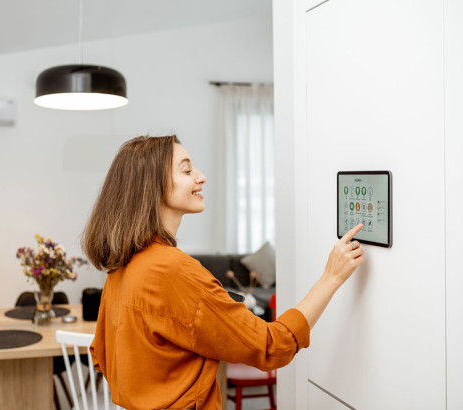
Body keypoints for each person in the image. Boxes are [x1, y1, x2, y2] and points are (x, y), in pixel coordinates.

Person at [82, 135, 364, 410]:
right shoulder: (171, 269)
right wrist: (331, 277)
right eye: (187, 169)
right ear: (152, 185)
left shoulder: (122, 266)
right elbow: (271, 345)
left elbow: (104, 357)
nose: (201, 177)